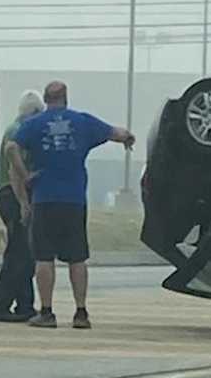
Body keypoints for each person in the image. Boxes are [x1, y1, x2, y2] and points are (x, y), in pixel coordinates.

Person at [9, 80, 134, 329]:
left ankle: (46, 312)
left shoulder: (34, 124)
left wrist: (26, 176)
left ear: (46, 99)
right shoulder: (83, 122)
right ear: (66, 98)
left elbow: (11, 147)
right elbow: (116, 133)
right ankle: (81, 312)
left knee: (44, 257)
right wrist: (129, 138)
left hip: (45, 199)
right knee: (77, 258)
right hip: (74, 200)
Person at [0, 89, 44, 322]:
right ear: (35, 112)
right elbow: (14, 172)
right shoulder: (20, 132)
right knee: (17, 253)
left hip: (10, 195)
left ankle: (25, 305)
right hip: (13, 194)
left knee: (25, 252)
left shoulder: (16, 127)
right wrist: (23, 203)